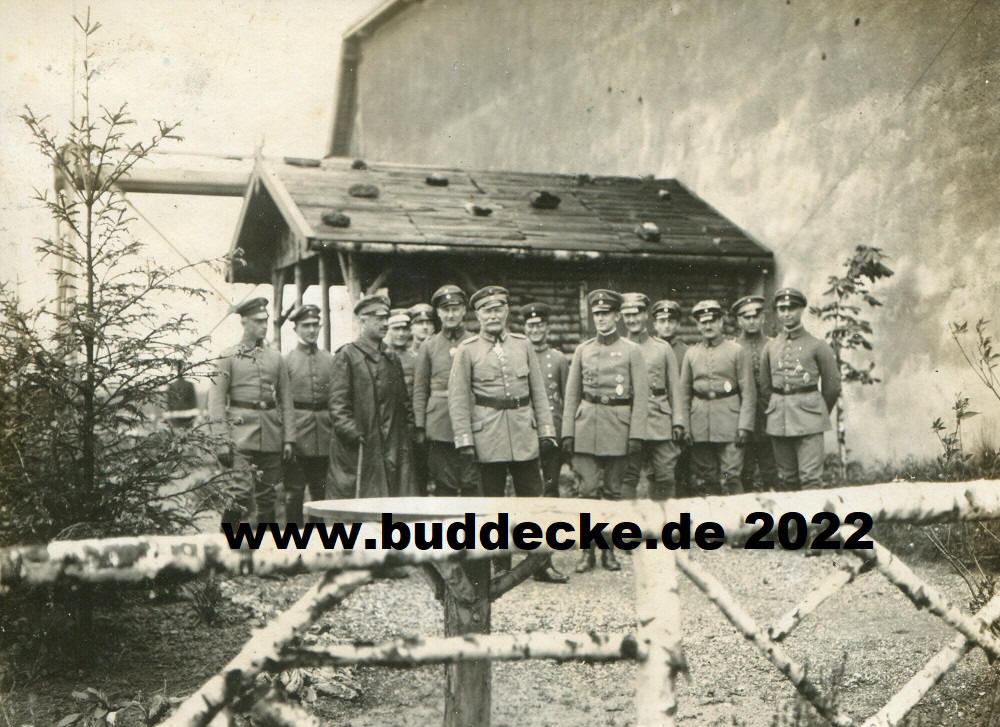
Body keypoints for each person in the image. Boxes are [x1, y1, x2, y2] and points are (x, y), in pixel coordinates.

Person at [448, 286, 558, 575]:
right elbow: (458, 399)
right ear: (477, 316)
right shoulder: (467, 350)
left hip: (523, 434)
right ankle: (499, 565)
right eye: (486, 311)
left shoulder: (523, 345)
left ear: (506, 311)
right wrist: (464, 440)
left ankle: (541, 564)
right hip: (488, 437)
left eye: (498, 309)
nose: (493, 316)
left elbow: (538, 392)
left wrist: (546, 430)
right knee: (493, 504)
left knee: (533, 502)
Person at [561, 289, 648, 573]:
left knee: (612, 492)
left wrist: (636, 434)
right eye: (597, 314)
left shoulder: (632, 351)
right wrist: (568, 432)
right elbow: (572, 394)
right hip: (586, 427)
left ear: (617, 316)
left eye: (606, 314)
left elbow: (642, 397)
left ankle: (608, 551)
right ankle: (587, 552)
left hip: (618, 428)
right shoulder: (583, 350)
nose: (601, 319)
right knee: (586, 491)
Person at [208, 297, 295, 526]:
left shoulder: (276, 358)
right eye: (258, 321)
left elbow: (286, 400)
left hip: (271, 435)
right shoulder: (227, 358)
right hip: (239, 437)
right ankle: (227, 543)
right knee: (239, 492)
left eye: (265, 321)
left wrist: (289, 439)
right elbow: (216, 402)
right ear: (244, 322)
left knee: (268, 496)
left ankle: (268, 546)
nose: (264, 326)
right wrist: (221, 440)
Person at [327, 294, 416, 499]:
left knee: (395, 500)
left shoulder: (391, 358)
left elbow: (403, 403)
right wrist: (353, 434)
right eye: (379, 319)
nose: (385, 324)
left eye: (386, 318)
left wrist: (406, 433)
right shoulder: (347, 356)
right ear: (363, 320)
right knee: (360, 504)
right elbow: (338, 405)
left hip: (393, 445)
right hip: (361, 446)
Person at [759, 288, 841, 490]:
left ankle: (813, 514)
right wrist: (778, 407)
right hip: (779, 420)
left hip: (809, 420)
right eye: (782, 309)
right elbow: (765, 387)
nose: (786, 313)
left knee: (810, 479)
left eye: (792, 308)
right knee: (787, 479)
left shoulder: (817, 345)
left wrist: (816, 412)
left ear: (802, 309)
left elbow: (832, 387)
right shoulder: (770, 347)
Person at [678, 300, 755, 497]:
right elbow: (684, 393)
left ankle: (738, 516)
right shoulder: (691, 354)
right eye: (703, 322)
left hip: (730, 424)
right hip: (700, 425)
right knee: (706, 478)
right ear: (697, 325)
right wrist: (685, 426)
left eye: (712, 321)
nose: (708, 326)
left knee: (731, 477)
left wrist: (744, 426)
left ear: (721, 322)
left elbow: (748, 391)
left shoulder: (736, 351)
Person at [412, 284, 481, 497]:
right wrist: (420, 425)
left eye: (455, 309)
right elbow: (420, 389)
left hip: (472, 422)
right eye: (445, 309)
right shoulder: (429, 346)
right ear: (438, 313)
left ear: (464, 311)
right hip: (439, 426)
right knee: (444, 486)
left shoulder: (475, 342)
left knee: (472, 483)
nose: (450, 314)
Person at [519, 300, 570, 583]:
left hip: (552, 437)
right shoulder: (519, 356)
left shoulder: (558, 359)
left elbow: (566, 397)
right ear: (525, 329)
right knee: (527, 496)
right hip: (525, 434)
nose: (536, 330)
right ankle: (527, 555)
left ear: (547, 328)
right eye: (531, 325)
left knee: (550, 495)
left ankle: (545, 560)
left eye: (540, 325)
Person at [620, 293, 685, 500]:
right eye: (628, 315)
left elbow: (675, 388)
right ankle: (627, 519)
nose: (632, 320)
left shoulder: (662, 348)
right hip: (629, 421)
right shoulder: (619, 348)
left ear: (646, 315)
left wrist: (678, 421)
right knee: (628, 476)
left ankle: (666, 519)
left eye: (636, 314)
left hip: (659, 421)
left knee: (664, 475)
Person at [283, 304, 335, 524]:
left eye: (315, 325)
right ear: (296, 329)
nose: (312, 330)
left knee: (320, 491)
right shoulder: (287, 361)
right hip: (297, 436)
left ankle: (318, 539)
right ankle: (294, 538)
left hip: (324, 435)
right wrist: (287, 437)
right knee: (294, 492)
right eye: (306, 326)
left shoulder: (329, 359)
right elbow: (281, 402)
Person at [732, 295, 779, 492]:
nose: (751, 321)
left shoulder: (774, 345)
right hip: (742, 419)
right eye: (746, 317)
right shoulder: (732, 347)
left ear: (763, 318)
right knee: (744, 471)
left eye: (756, 316)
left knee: (772, 471)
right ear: (739, 320)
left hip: (769, 416)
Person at [651, 298, 691, 496]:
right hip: (657, 421)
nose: (666, 325)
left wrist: (683, 422)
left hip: (680, 420)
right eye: (662, 321)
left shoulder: (687, 352)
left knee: (683, 472)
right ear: (654, 324)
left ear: (678, 324)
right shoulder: (647, 350)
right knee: (656, 473)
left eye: (671, 321)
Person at [386, 308, 416, 394]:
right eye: (396, 329)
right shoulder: (378, 356)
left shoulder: (414, 358)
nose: (401, 333)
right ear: (388, 330)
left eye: (405, 329)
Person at [166, 360, 198, 428]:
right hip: (188, 415)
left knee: (177, 432)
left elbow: (169, 403)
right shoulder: (190, 385)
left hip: (175, 416)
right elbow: (193, 402)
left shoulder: (171, 385)